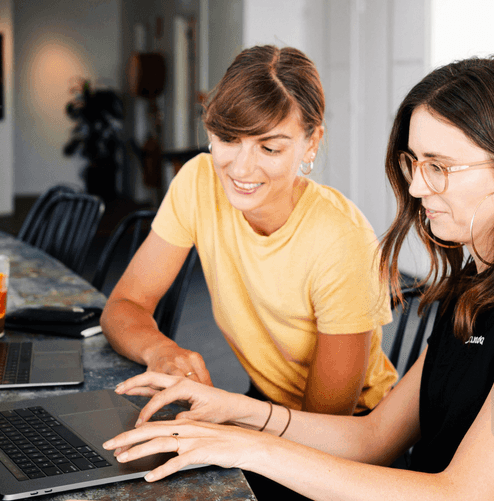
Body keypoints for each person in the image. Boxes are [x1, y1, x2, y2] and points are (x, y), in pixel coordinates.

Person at [103, 55, 494, 501]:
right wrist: (235, 412)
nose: (416, 187)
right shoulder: (480, 281)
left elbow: (466, 495)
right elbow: (374, 436)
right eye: (413, 162)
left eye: (439, 166)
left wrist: (247, 444)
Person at [101, 45, 397, 419]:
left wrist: (229, 417)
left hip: (350, 436)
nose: (241, 169)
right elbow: (123, 306)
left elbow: (325, 429)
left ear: (312, 143)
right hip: (266, 404)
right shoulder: (198, 181)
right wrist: (160, 350)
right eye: (228, 139)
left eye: (269, 148)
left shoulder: (342, 240)